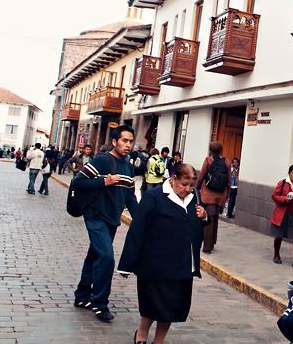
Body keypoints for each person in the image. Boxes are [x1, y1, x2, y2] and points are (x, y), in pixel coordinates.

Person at [117, 163, 209, 344]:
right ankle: (142, 333)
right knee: (153, 304)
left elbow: (199, 222)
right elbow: (138, 229)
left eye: (191, 186)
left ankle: (159, 341)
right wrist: (126, 264)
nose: (188, 189)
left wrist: (204, 216)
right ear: (173, 178)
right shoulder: (154, 197)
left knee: (172, 307)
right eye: (184, 184)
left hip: (182, 265)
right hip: (155, 264)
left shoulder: (194, 198)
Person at [72, 124, 139, 323]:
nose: (128, 145)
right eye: (124, 140)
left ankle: (82, 295)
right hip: (95, 216)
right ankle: (99, 303)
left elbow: (130, 197)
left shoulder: (128, 167)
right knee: (107, 258)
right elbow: (78, 182)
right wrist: (104, 182)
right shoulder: (100, 161)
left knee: (95, 255)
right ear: (114, 142)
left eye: (130, 141)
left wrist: (142, 219)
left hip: (112, 219)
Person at [196, 141, 230, 254]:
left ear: (211, 150)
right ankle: (213, 241)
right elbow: (229, 181)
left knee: (208, 219)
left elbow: (201, 177)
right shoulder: (227, 162)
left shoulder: (208, 160)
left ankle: (207, 247)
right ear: (221, 150)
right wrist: (227, 196)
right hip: (220, 195)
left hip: (208, 195)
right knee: (215, 218)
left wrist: (196, 188)